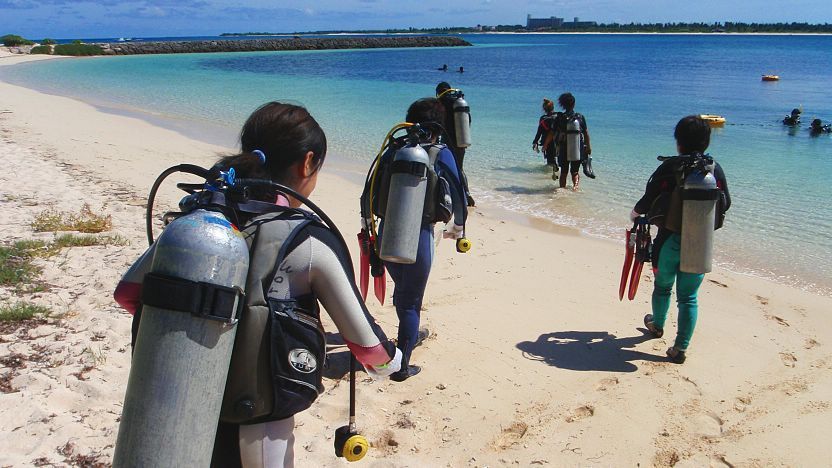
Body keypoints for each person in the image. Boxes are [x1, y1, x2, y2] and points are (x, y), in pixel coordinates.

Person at [114, 102, 401, 467]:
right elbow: (367, 346)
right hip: (258, 425)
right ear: (308, 163)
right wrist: (393, 363)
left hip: (177, 402)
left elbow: (127, 294)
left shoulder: (202, 220)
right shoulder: (307, 239)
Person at [365, 98, 468, 382]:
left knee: (404, 292)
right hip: (418, 237)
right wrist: (459, 227)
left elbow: (369, 192)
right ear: (439, 125)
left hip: (386, 236)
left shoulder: (395, 149)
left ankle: (407, 334)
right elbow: (458, 193)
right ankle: (402, 366)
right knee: (411, 302)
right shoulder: (440, 153)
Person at [630, 115, 731, 364]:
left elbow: (647, 199)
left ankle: (657, 325)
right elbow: (726, 202)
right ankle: (680, 348)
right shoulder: (713, 168)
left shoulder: (669, 166)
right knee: (688, 297)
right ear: (706, 142)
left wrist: (634, 214)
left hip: (668, 241)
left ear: (679, 142)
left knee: (663, 287)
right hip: (700, 244)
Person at [436, 81, 475, 206]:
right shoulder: (459, 102)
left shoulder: (441, 104)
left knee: (442, 168)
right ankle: (466, 193)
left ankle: (447, 195)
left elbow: (438, 123)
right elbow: (468, 120)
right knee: (459, 168)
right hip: (461, 141)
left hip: (447, 141)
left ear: (438, 92)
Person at [553, 92, 592, 191]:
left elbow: (554, 133)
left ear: (562, 105)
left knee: (564, 172)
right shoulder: (580, 117)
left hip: (563, 147)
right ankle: (575, 187)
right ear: (574, 104)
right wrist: (588, 147)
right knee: (575, 171)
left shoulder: (559, 118)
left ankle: (562, 189)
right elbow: (586, 133)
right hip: (577, 147)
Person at [532, 98, 560, 173]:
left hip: (547, 142)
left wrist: (535, 142)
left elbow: (539, 132)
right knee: (559, 157)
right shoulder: (559, 116)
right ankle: (558, 172)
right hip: (558, 140)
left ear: (544, 109)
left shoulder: (543, 119)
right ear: (553, 107)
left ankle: (552, 172)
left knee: (550, 159)